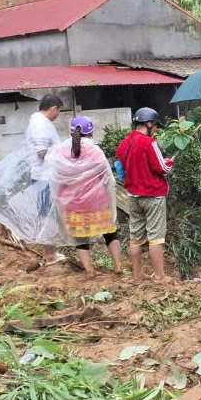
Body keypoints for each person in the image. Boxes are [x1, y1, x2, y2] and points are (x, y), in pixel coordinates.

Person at [46, 116, 122, 276]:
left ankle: (90, 270)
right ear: (91, 133)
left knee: (80, 239)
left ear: (71, 132)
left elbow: (55, 178)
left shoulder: (61, 152)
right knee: (110, 231)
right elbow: (107, 177)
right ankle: (118, 266)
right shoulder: (95, 151)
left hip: (72, 203)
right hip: (97, 202)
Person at [117, 107, 173, 283]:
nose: (155, 129)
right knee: (156, 237)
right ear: (149, 123)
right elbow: (160, 168)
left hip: (133, 195)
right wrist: (170, 163)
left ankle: (137, 275)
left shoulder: (124, 144)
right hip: (153, 195)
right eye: (155, 126)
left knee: (136, 238)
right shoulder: (149, 143)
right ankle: (160, 276)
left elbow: (126, 166)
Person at [25, 95, 64, 264]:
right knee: (46, 216)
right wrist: (64, 156)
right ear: (54, 108)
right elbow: (42, 151)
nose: (58, 114)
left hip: (45, 176)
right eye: (59, 111)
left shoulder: (40, 122)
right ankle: (49, 255)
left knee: (48, 214)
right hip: (43, 177)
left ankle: (50, 253)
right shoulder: (40, 124)